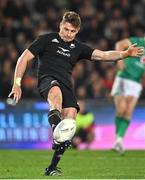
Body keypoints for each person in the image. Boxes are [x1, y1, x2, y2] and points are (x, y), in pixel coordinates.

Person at [8, 11, 144, 176]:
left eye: (72, 31)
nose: (68, 34)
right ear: (60, 25)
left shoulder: (78, 47)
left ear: (77, 31)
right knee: (56, 98)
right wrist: (17, 83)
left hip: (66, 85)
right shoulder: (46, 39)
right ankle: (56, 133)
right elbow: (23, 58)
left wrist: (124, 54)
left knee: (70, 121)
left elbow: (104, 55)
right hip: (47, 80)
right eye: (66, 29)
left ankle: (52, 167)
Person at [111, 37, 145, 154]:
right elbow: (119, 43)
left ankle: (119, 141)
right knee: (121, 110)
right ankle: (117, 139)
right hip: (123, 78)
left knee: (128, 112)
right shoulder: (138, 41)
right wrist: (119, 60)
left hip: (136, 83)